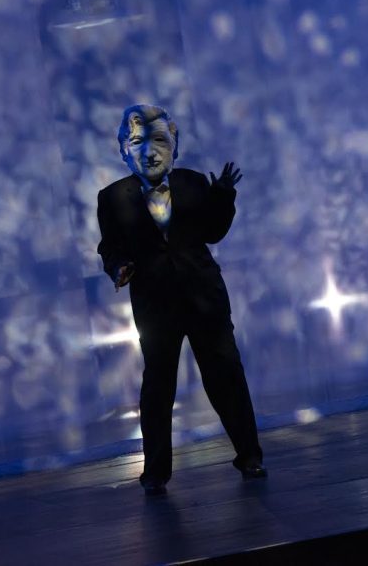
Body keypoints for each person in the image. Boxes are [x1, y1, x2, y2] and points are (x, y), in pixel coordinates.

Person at [96, 103, 265, 495]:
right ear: (122, 149)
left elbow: (213, 232)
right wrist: (118, 266)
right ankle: (155, 472)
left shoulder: (191, 183)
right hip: (156, 306)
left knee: (226, 376)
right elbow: (110, 246)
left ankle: (250, 456)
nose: (149, 151)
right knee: (158, 387)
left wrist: (223, 196)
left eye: (159, 140)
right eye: (137, 142)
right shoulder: (113, 198)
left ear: (176, 144)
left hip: (204, 297)